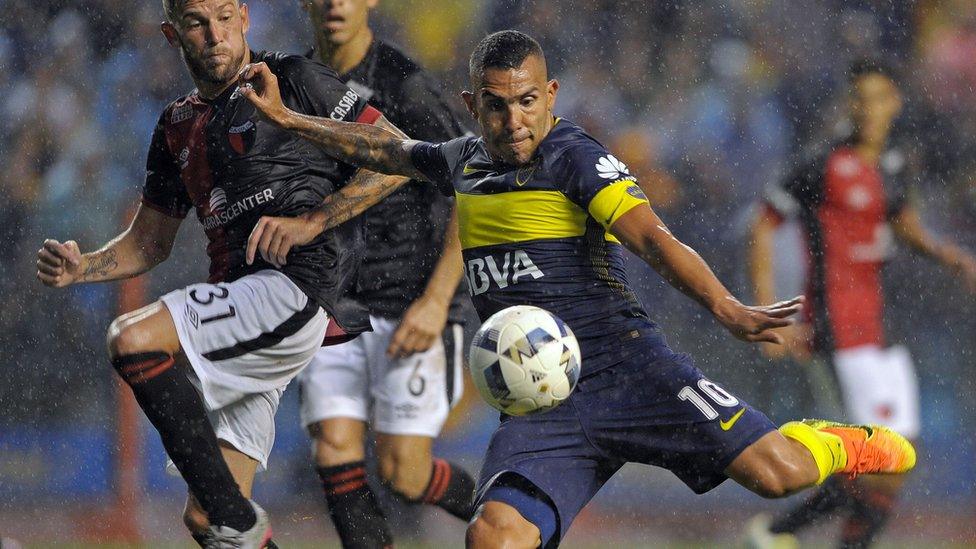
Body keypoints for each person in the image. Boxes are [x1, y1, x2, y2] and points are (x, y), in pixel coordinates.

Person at [235, 30, 918, 549]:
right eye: (497, 108)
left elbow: (654, 238)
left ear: (551, 96)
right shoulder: (465, 161)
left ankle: (846, 441)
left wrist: (726, 307)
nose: (515, 122)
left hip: (632, 369)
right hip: (543, 407)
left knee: (781, 473)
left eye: (528, 102)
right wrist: (292, 121)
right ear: (475, 106)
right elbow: (385, 149)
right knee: (493, 536)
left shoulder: (575, 157)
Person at [34, 1, 406, 547]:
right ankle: (234, 518)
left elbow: (397, 153)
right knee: (207, 524)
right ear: (172, 34)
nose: (215, 34)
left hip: (294, 285)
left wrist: (312, 221)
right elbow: (150, 242)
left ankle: (237, 513)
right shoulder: (175, 126)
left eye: (225, 16)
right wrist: (83, 266)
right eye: (196, 23)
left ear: (245, 18)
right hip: (244, 302)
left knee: (132, 340)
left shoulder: (293, 79)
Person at [745, 59, 976, 548]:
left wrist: (947, 254)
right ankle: (783, 534)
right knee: (874, 462)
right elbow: (764, 223)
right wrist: (769, 314)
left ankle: (774, 533)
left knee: (898, 458)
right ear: (850, 105)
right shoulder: (822, 164)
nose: (867, 109)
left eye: (877, 98)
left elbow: (901, 220)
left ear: (894, 103)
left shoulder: (893, 164)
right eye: (859, 98)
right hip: (839, 329)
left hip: (883, 327)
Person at [297, 1, 476, 546]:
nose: (334, 4)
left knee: (404, 473)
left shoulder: (406, 87)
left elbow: (474, 185)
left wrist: (436, 299)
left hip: (411, 303)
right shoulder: (292, 84)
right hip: (334, 302)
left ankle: (510, 513)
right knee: (334, 448)